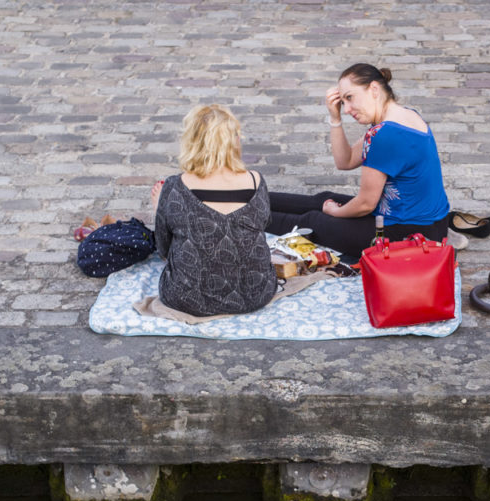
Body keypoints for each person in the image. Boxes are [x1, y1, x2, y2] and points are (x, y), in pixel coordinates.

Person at [266, 63, 451, 261]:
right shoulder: (403, 115)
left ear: (373, 89)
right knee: (322, 199)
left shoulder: (385, 135)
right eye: (343, 101)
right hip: (430, 224)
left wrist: (335, 213)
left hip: (410, 234)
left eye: (350, 98)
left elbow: (365, 204)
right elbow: (345, 161)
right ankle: (250, 195)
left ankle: (242, 214)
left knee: (314, 221)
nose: (346, 109)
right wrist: (334, 118)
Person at [151, 104, 276, 317]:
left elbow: (163, 250)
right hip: (255, 294)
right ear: (234, 141)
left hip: (187, 298)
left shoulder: (175, 186)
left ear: (191, 141)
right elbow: (261, 228)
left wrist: (160, 209)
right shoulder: (256, 181)